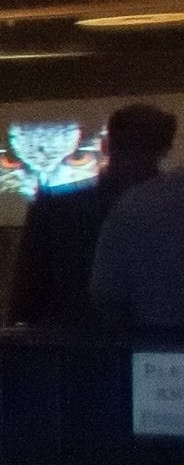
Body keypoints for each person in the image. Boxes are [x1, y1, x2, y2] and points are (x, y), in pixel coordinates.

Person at [18, 102, 171, 323]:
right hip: (161, 347)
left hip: (69, 344)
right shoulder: (173, 211)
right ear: (165, 149)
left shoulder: (53, 208)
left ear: (106, 145)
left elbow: (28, 298)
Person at [81, 104, 184, 325]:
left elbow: (106, 294)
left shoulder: (58, 205)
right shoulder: (160, 202)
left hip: (75, 346)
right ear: (166, 148)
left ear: (107, 145)